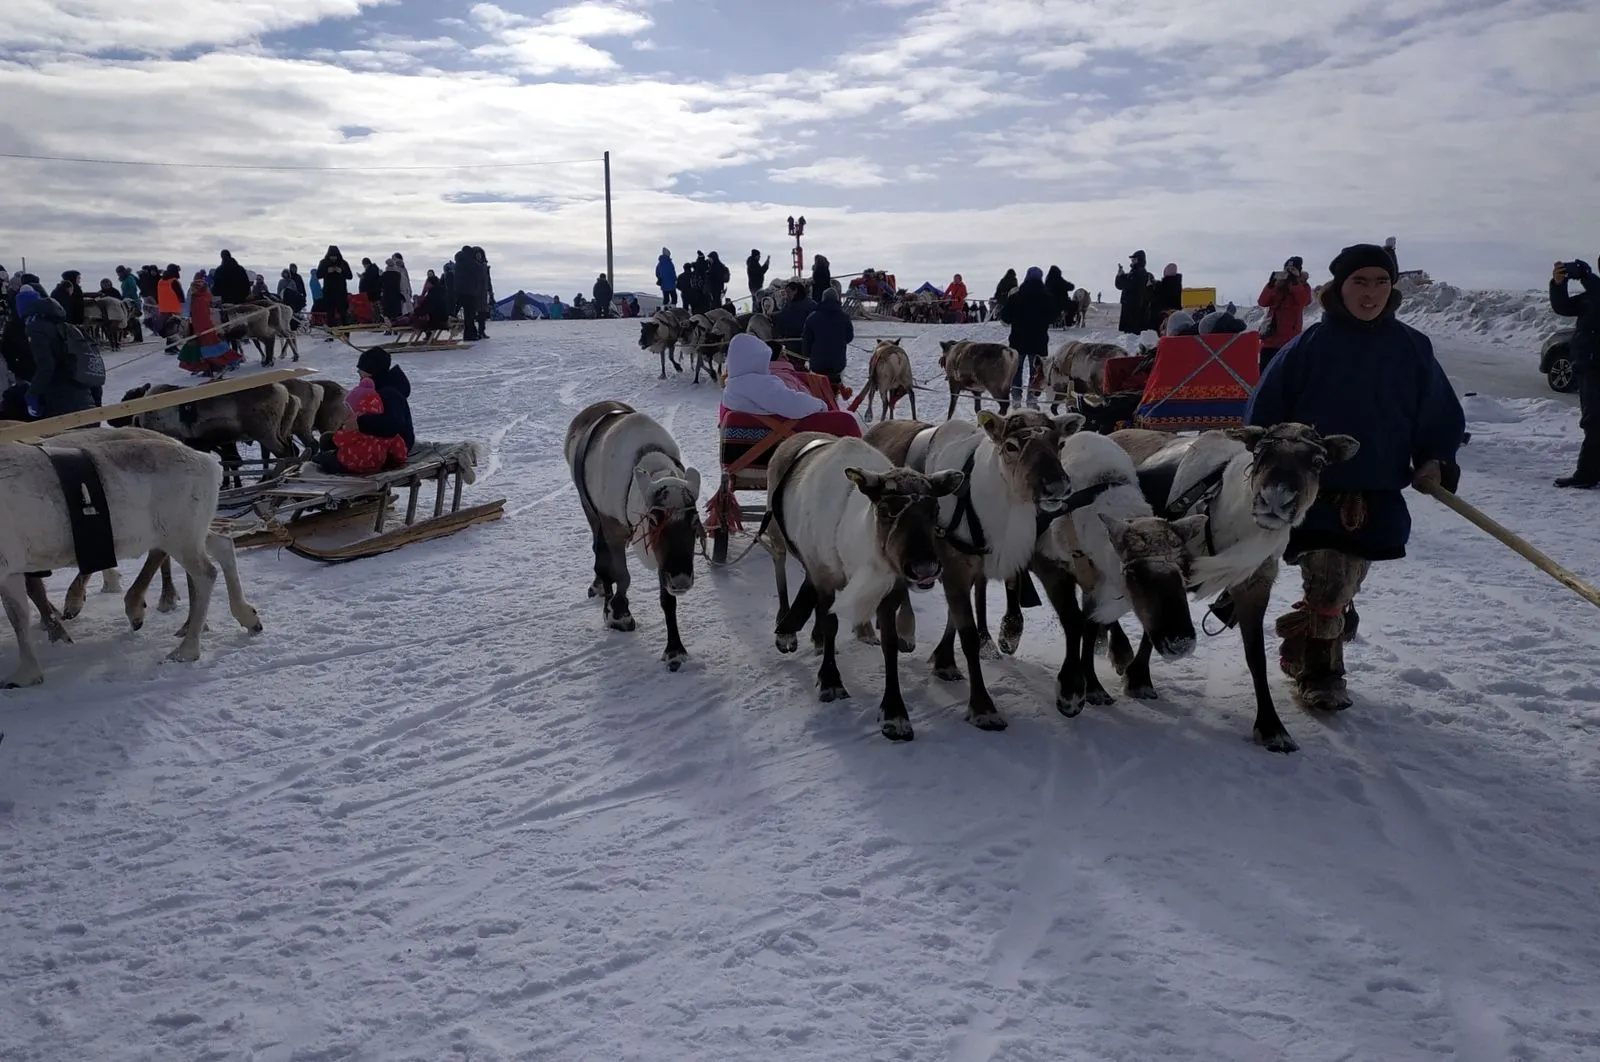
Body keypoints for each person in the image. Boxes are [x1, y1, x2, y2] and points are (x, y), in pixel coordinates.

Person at [1244, 242, 1465, 710]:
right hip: (1315, 492)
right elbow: (1263, 414)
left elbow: (1439, 413)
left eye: (1381, 282)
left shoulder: (1411, 347)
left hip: (1378, 487)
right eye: (1360, 282)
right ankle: (1322, 674)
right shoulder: (1308, 348)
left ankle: (1314, 626)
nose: (1371, 293)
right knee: (1329, 578)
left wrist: (1436, 459)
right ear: (1338, 289)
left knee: (1344, 580)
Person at [318, 347, 413, 475]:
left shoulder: (389, 393)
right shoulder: (380, 388)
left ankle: (328, 463)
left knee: (326, 455)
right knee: (327, 440)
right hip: (378, 445)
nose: (358, 372)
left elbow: (394, 424)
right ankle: (332, 457)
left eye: (361, 370)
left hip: (389, 451)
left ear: (371, 371)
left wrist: (359, 423)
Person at [1549, 257, 1599, 488]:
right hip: (1589, 366)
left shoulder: (1596, 291)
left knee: (1595, 422)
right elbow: (1564, 307)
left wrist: (1587, 277)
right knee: (1593, 421)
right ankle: (1588, 472)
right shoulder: (1592, 295)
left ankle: (1586, 475)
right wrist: (1559, 284)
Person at [16, 288, 99, 418]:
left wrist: (32, 394)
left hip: (62, 402)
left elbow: (46, 366)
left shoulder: (35, 328)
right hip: (85, 398)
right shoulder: (67, 327)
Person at [999, 266, 1056, 407]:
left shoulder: (1016, 297)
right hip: (1039, 342)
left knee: (1015, 370)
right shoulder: (1047, 298)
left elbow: (1005, 317)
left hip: (1018, 341)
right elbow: (1054, 318)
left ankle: (1016, 398)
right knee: (1035, 371)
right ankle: (1032, 398)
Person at [1257, 256, 1314, 371]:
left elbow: (1304, 301)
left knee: (1285, 376)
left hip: (1289, 340)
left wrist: (1295, 283)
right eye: (1286, 268)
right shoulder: (1278, 285)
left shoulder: (1303, 286)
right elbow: (1262, 302)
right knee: (1265, 373)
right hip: (1270, 339)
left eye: (1292, 269)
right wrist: (1270, 285)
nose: (1288, 272)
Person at [802, 287, 853, 384]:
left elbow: (806, 341)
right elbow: (849, 338)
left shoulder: (812, 318)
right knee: (835, 388)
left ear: (823, 299)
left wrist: (808, 356)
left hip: (817, 364)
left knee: (818, 390)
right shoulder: (845, 317)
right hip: (838, 364)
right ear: (837, 299)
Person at [452, 245, 485, 340]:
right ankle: (469, 335)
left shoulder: (458, 262)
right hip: (470, 292)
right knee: (470, 314)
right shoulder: (471, 262)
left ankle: (470, 333)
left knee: (467, 314)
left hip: (459, 291)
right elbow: (480, 272)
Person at [1115, 250, 1151, 334]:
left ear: (1139, 260)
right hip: (1137, 312)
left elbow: (1123, 285)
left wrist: (1120, 276)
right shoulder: (1139, 273)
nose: (1132, 261)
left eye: (1134, 259)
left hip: (1132, 312)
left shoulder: (1137, 273)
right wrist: (1122, 276)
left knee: (1132, 337)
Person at [316, 246, 353, 325]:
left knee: (343, 313)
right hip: (329, 292)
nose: (333, 258)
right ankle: (331, 333)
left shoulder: (343, 263)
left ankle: (346, 333)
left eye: (335, 256)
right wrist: (327, 271)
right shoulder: (323, 262)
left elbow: (350, 276)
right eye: (331, 257)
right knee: (330, 314)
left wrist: (341, 271)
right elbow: (318, 275)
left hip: (341, 292)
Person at [772, 281, 816, 346]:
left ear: (795, 291)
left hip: (800, 339)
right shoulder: (810, 304)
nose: (787, 295)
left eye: (788, 292)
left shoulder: (808, 304)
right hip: (794, 339)